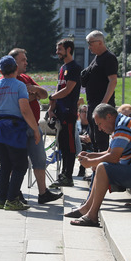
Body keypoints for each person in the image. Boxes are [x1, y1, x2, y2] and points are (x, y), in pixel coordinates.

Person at [65, 103, 131, 227]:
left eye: (100, 124)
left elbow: (113, 157)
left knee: (102, 167)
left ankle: (92, 215)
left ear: (109, 117)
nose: (99, 129)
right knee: (99, 165)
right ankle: (87, 208)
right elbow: (110, 152)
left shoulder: (124, 126)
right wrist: (91, 156)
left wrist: (90, 162)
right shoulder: (121, 124)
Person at [0, 55, 42, 211]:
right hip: (14, 129)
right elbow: (24, 109)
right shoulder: (19, 85)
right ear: (15, 69)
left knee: (5, 165)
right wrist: (35, 129)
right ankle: (12, 199)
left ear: (1, 70)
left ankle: (2, 199)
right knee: (20, 165)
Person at [10, 48, 63, 204]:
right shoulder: (9, 80)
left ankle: (43, 193)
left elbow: (44, 94)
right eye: (23, 60)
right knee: (18, 162)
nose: (26, 62)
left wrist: (33, 90)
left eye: (26, 59)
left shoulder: (26, 77)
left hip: (34, 126)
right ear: (14, 62)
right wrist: (34, 95)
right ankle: (15, 192)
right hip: (19, 127)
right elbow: (22, 102)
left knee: (40, 160)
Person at [47, 39, 82, 186]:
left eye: (60, 49)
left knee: (70, 145)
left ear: (68, 49)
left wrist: (52, 97)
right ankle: (63, 174)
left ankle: (68, 175)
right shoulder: (63, 68)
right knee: (61, 144)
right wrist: (51, 107)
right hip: (59, 111)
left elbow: (68, 90)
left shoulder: (74, 67)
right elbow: (58, 88)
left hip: (69, 111)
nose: (57, 52)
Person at [82, 30, 118, 154]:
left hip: (101, 106)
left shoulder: (109, 58)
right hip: (93, 104)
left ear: (99, 42)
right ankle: (96, 170)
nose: (89, 47)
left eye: (90, 43)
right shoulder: (97, 58)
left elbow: (113, 81)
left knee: (101, 140)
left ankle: (102, 170)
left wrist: (103, 104)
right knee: (94, 139)